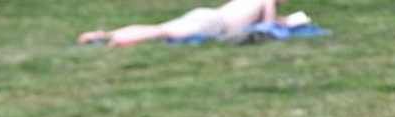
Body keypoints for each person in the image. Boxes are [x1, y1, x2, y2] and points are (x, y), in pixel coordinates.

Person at [79, 0, 289, 47]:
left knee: (161, 27)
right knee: (162, 31)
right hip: (214, 23)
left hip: (207, 15)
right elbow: (267, 26)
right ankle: (118, 41)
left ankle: (106, 34)